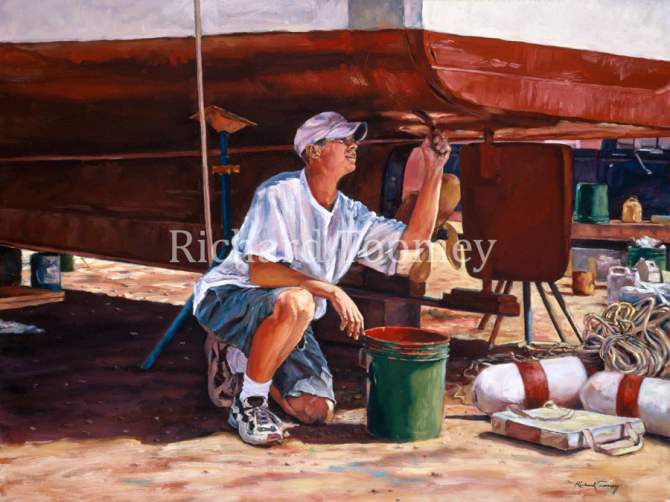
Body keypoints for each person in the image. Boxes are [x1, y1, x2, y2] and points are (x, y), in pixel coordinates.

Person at [193, 112, 451, 446]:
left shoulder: (351, 215)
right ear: (314, 150)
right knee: (300, 301)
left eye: (353, 140)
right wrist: (330, 290)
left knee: (317, 411)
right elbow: (261, 271)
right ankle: (249, 404)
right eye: (343, 140)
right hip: (229, 299)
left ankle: (239, 361)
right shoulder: (279, 193)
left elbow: (413, 241)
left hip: (288, 317)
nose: (353, 146)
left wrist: (434, 168)